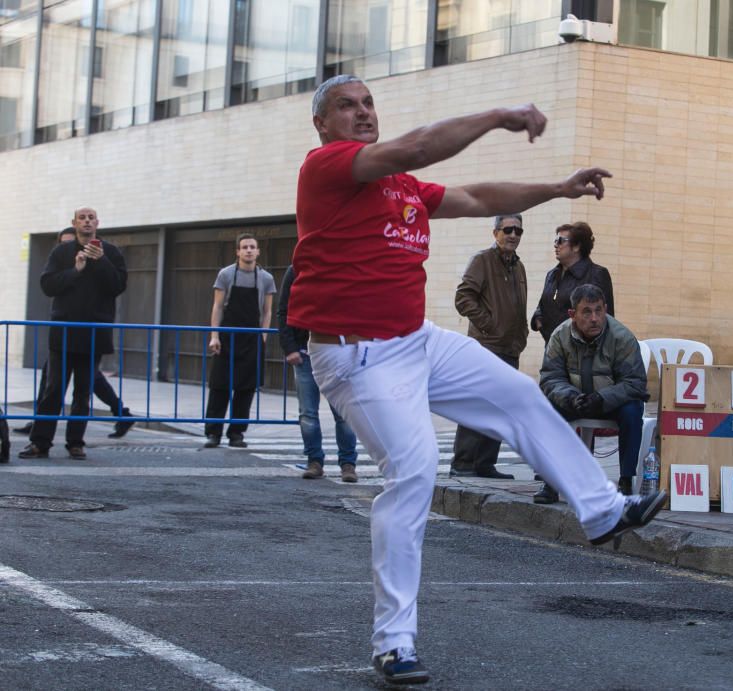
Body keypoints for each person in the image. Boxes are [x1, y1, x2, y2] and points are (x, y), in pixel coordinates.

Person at [288, 74, 668, 685]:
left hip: (414, 340)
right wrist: (499, 114)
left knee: (520, 393)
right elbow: (415, 146)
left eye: (367, 104)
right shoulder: (328, 169)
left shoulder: (401, 187)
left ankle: (601, 511)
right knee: (413, 472)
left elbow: (475, 194)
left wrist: (556, 187)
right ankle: (394, 642)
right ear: (323, 124)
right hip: (356, 356)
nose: (361, 114)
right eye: (345, 107)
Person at [19, 208, 128, 460]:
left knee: (83, 392)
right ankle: (40, 442)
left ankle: (76, 443)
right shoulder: (61, 252)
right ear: (74, 223)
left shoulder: (110, 253)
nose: (87, 221)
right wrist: (75, 270)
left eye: (91, 218)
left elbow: (117, 286)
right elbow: (47, 285)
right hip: (64, 331)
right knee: (53, 389)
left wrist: (100, 261)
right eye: (82, 218)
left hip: (94, 333)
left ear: (97, 223)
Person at [535, 284, 648, 504]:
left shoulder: (622, 337)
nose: (594, 318)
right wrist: (570, 397)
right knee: (546, 409)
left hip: (610, 402)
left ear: (605, 309)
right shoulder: (559, 336)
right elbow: (550, 378)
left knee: (633, 410)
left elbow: (635, 384)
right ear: (572, 314)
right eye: (587, 312)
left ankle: (625, 481)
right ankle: (550, 482)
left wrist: (602, 398)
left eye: (599, 310)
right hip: (575, 399)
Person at [449, 213, 528, 480]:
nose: (513, 235)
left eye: (518, 231)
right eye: (508, 230)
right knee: (477, 405)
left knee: (500, 409)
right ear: (495, 232)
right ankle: (463, 464)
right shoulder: (482, 260)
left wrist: (522, 333)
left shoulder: (518, 266)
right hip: (486, 347)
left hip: (510, 348)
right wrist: (489, 325)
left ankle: (484, 464)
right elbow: (463, 298)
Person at [276, 265, 359, 481]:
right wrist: (290, 347)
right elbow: (283, 310)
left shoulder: (343, 266)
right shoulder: (296, 270)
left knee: (343, 413)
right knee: (308, 414)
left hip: (337, 353)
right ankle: (314, 461)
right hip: (305, 354)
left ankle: (348, 464)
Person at [203, 234, 276, 449]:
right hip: (227, 338)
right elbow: (217, 307)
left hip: (252, 339)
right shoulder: (225, 274)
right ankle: (213, 433)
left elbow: (267, 311)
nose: (249, 250)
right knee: (219, 386)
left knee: (246, 389)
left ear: (258, 251)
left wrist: (263, 337)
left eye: (253, 247)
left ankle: (237, 433)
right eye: (244, 247)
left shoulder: (266, 278)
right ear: (237, 251)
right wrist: (214, 336)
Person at [531, 221, 614, 344]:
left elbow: (606, 317)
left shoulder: (596, 274)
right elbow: (542, 306)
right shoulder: (552, 275)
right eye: (555, 241)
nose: (555, 245)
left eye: (560, 240)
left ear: (576, 246)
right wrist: (539, 322)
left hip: (582, 353)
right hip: (552, 350)